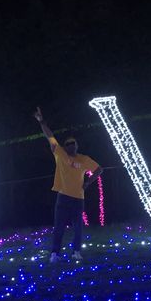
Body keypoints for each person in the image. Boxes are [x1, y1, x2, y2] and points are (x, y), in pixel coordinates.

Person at [34, 107, 103, 262]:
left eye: (73, 143)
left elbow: (99, 169)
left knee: (78, 227)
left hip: (78, 198)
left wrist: (88, 182)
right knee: (58, 227)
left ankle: (76, 252)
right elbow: (50, 136)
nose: (71, 145)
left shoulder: (84, 159)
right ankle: (55, 254)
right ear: (65, 146)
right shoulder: (60, 154)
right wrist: (41, 121)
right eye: (68, 144)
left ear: (77, 146)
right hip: (63, 197)